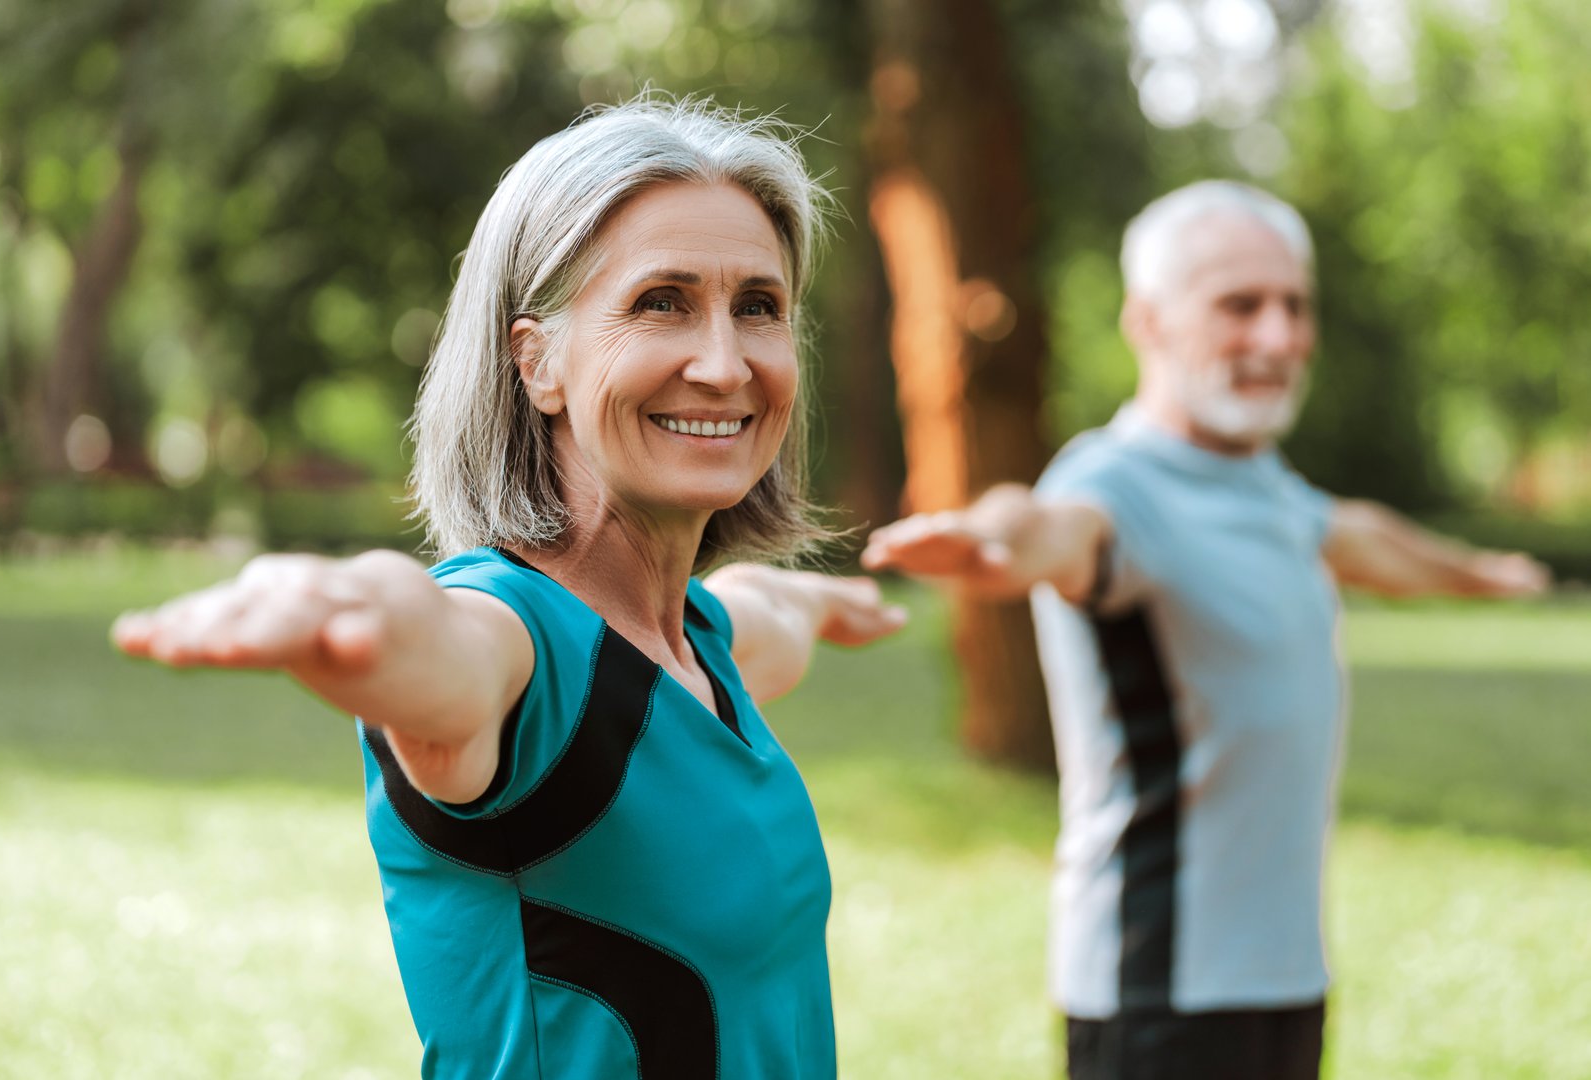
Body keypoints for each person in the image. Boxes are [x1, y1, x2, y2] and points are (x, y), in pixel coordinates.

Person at [114, 97, 907, 1080]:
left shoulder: (695, 641)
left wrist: (823, 603)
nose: (723, 361)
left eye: (758, 306)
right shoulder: (515, 642)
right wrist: (348, 607)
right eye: (662, 301)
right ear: (538, 363)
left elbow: (763, 614)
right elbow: (433, 640)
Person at [861, 180, 1549, 1080]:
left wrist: (1486, 575)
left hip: (1284, 979)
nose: (1279, 336)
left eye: (1295, 306)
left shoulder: (1259, 482)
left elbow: (1360, 535)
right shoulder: (1116, 485)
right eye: (1240, 305)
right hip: (1160, 994)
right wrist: (989, 537)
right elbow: (1045, 524)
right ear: (1147, 323)